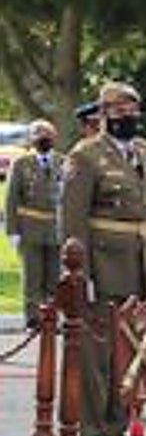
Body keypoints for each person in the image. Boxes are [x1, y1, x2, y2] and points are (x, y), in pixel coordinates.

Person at [59, 82, 146, 436]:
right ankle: (93, 432)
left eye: (133, 110)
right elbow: (73, 220)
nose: (128, 117)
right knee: (97, 357)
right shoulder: (85, 156)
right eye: (120, 111)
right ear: (103, 114)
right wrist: (78, 275)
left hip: (140, 267)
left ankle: (118, 429)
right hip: (103, 268)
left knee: (129, 355)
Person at [5, 119, 63, 327]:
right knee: (33, 276)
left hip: (56, 228)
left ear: (54, 137)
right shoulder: (21, 164)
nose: (43, 137)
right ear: (31, 139)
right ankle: (32, 318)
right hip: (29, 227)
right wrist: (12, 231)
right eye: (38, 133)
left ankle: (51, 316)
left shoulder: (62, 162)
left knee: (55, 277)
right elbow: (11, 199)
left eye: (47, 133)